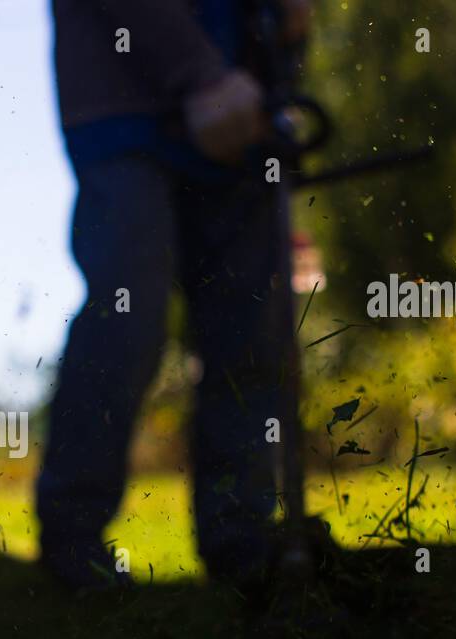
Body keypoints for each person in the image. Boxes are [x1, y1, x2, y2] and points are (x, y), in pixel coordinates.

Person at [37, 0, 312, 593]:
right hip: (125, 116)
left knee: (251, 334)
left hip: (242, 127)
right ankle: (72, 538)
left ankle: (241, 539)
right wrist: (201, 73)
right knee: (129, 316)